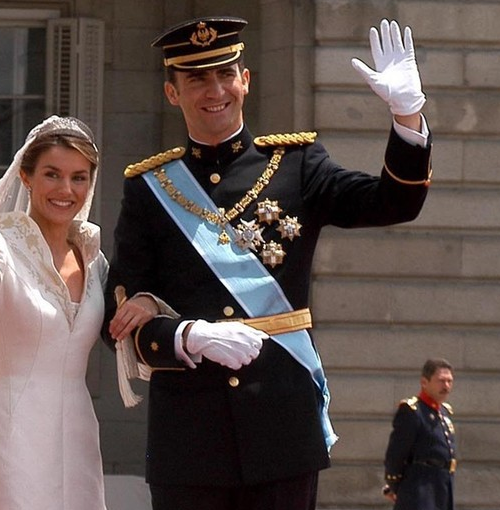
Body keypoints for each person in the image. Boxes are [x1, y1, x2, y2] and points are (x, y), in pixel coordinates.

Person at [104, 16, 432, 510]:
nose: (214, 90)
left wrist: (407, 118)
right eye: (196, 79)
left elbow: (393, 203)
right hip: (190, 440)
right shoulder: (150, 189)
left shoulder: (297, 165)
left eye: (224, 74)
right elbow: (120, 317)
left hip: (282, 426)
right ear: (172, 93)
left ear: (246, 81)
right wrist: (184, 336)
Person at [0, 115, 155, 510]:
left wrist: (151, 304)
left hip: (76, 432)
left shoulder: (95, 258)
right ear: (26, 176)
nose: (66, 189)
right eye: (52, 174)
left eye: (79, 177)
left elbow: (123, 328)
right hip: (8, 433)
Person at [382, 358, 457, 510]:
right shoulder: (412, 411)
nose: (446, 386)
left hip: (442, 486)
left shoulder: (444, 412)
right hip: (420, 488)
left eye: (449, 381)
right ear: (424, 382)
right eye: (441, 381)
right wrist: (396, 485)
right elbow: (396, 454)